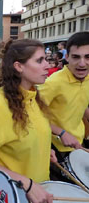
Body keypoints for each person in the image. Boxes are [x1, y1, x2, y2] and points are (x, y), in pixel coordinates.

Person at [0, 39, 56, 203]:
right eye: (39, 60)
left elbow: (24, 136)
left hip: (39, 191)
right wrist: (26, 183)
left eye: (46, 59)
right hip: (13, 194)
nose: (47, 66)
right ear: (19, 66)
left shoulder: (33, 96)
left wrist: (40, 150)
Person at [38, 32, 89, 178]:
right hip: (54, 146)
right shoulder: (53, 83)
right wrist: (61, 132)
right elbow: (30, 114)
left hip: (78, 143)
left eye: (87, 57)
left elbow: (80, 103)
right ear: (66, 57)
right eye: (76, 57)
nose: (82, 63)